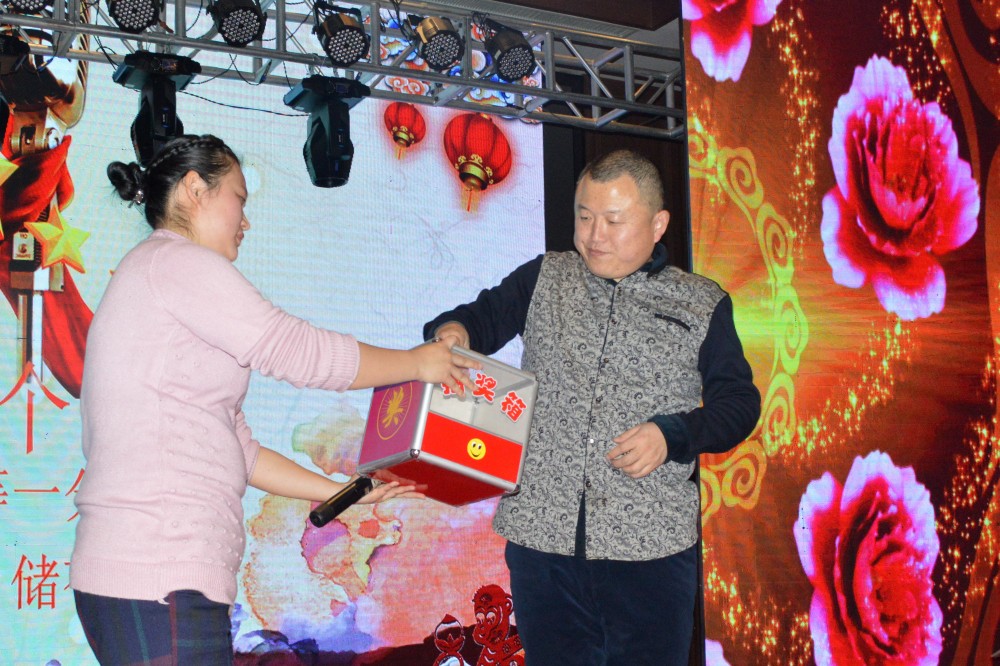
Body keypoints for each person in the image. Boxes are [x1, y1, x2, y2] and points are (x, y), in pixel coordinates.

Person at [70, 134, 479, 664]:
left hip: (156, 574)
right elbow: (296, 350)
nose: (246, 220)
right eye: (238, 199)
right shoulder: (175, 263)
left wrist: (341, 494)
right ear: (195, 189)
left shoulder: (160, 274)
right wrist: (417, 364)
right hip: (155, 566)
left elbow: (239, 450)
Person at [424, 150, 761, 665]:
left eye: (613, 221)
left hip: (650, 548)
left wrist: (671, 435)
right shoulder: (546, 278)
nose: (594, 235)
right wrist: (454, 333)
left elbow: (738, 404)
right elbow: (478, 319)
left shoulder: (701, 302)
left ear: (658, 224)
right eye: (584, 217)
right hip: (541, 543)